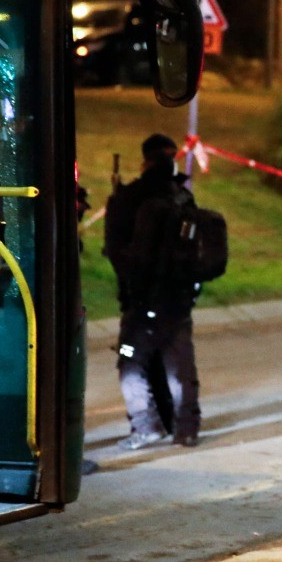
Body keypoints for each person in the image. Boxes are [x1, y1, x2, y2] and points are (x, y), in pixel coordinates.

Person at [104, 133, 202, 449]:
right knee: (179, 365)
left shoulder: (130, 197)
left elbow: (116, 249)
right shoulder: (183, 198)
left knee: (130, 364)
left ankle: (146, 427)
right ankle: (186, 429)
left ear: (145, 160)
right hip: (179, 301)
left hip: (141, 301)